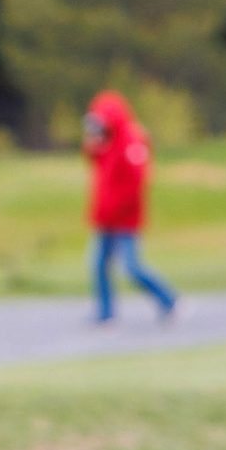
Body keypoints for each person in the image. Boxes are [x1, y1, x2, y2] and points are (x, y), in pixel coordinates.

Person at [84, 88, 176, 322]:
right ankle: (105, 314)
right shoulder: (106, 142)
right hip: (106, 216)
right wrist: (93, 144)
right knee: (98, 265)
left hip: (125, 216)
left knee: (131, 266)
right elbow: (95, 164)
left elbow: (139, 180)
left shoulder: (133, 140)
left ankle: (168, 299)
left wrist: (119, 208)